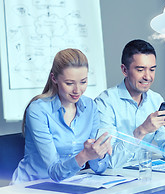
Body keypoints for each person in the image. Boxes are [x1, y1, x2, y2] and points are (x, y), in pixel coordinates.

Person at [11, 49, 112, 184]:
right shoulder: (38, 110)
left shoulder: (90, 107)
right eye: (69, 83)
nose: (77, 90)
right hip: (32, 187)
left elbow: (98, 168)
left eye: (83, 82)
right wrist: (84, 156)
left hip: (69, 185)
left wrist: (99, 153)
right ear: (54, 78)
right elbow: (55, 172)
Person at [95, 39, 165, 168]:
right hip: (115, 180)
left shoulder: (156, 99)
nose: (148, 77)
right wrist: (141, 131)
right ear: (124, 70)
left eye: (152, 70)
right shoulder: (105, 103)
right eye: (140, 70)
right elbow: (108, 162)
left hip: (144, 175)